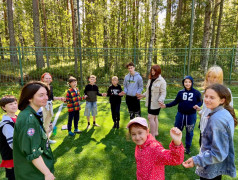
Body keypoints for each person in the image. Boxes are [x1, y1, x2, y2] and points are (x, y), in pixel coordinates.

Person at [182, 83, 237, 180]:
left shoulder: (216, 119)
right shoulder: (224, 113)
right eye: (206, 96)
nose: (207, 100)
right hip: (216, 166)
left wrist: (196, 160)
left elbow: (218, 153)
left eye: (212, 97)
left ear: (222, 100)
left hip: (210, 166)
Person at [13, 81, 55, 180]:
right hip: (33, 174)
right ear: (30, 97)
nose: (46, 98)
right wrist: (47, 173)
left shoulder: (30, 114)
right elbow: (32, 153)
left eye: (46, 94)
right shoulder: (29, 120)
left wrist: (46, 132)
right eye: (41, 95)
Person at [159, 76, 202, 154]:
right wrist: (166, 105)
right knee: (177, 130)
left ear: (192, 83)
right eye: (186, 82)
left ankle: (187, 147)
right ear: (183, 83)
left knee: (189, 131)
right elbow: (175, 101)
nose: (187, 83)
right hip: (180, 115)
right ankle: (176, 145)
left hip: (191, 116)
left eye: (189, 82)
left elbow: (200, 101)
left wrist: (197, 105)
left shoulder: (196, 92)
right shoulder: (180, 92)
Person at [198, 65, 233, 146]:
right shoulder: (207, 90)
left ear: (220, 78)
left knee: (212, 151)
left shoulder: (226, 91)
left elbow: (228, 109)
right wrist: (201, 112)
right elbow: (205, 107)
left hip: (215, 127)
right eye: (209, 76)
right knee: (202, 147)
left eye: (214, 77)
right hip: (204, 126)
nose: (210, 79)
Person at [137, 65, 166, 137]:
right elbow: (148, 91)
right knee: (155, 117)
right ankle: (156, 132)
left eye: (154, 71)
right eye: (152, 70)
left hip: (156, 103)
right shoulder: (151, 79)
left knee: (150, 117)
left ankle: (152, 136)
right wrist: (143, 95)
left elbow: (163, 93)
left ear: (158, 71)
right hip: (150, 102)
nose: (152, 72)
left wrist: (160, 100)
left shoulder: (162, 81)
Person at [41, 72, 65, 143]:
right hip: (43, 107)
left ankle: (47, 140)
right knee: (42, 123)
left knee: (47, 124)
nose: (48, 79)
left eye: (49, 78)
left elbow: (51, 98)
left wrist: (60, 98)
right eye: (46, 78)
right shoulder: (40, 87)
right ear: (42, 79)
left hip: (49, 105)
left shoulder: (50, 87)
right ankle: (41, 141)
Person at [0, 95, 18, 180]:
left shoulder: (18, 118)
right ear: (4, 107)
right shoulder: (6, 124)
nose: (14, 105)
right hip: (11, 156)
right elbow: (13, 144)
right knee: (14, 176)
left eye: (15, 103)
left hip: (18, 154)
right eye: (10, 104)